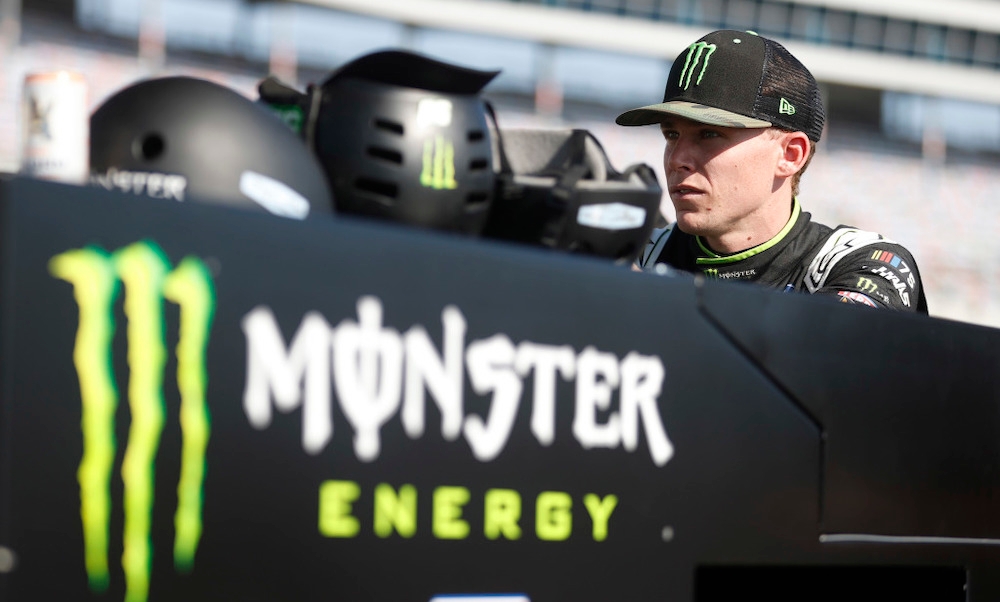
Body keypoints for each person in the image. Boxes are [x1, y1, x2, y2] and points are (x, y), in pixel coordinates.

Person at [616, 29, 928, 313]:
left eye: (709, 134)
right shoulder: (638, 253)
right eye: (671, 135)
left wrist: (632, 291)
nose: (677, 158)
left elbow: (819, 340)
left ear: (790, 155)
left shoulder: (868, 262)